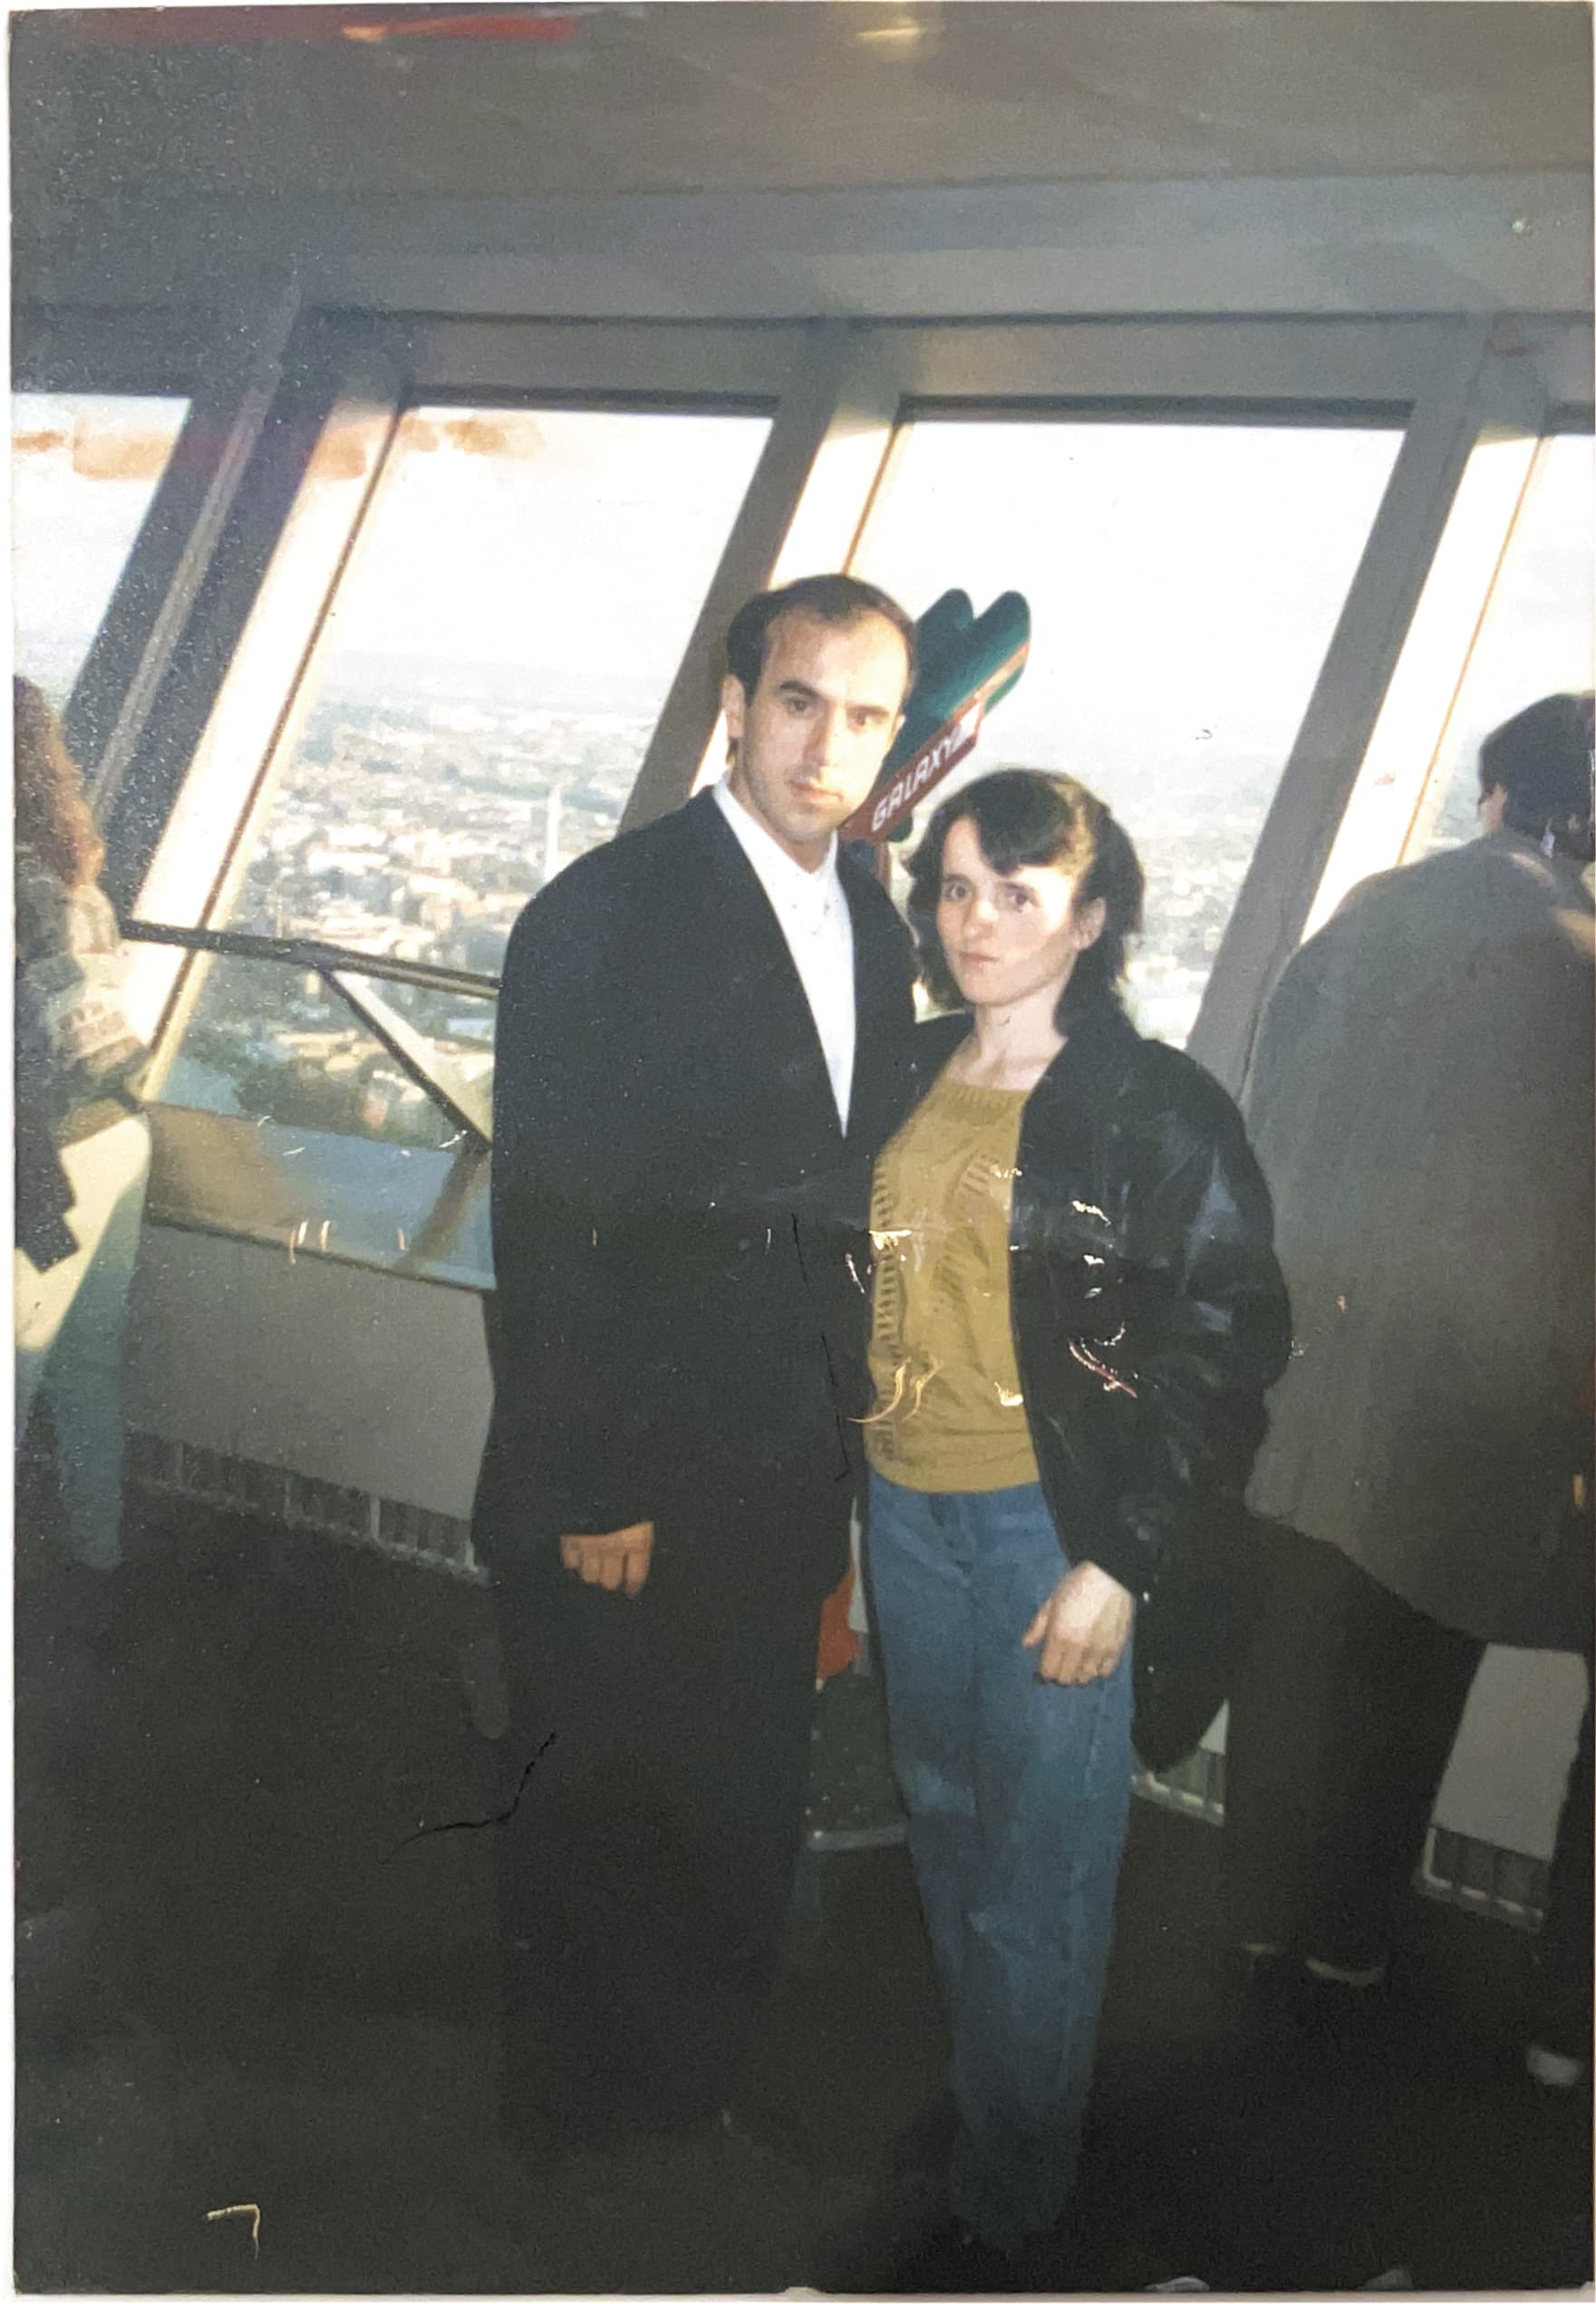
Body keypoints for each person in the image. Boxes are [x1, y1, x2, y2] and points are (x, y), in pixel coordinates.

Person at [473, 572, 922, 2151]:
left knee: (734, 1796)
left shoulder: (872, 918)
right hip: (628, 1471)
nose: (826, 744)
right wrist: (593, 1481)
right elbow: (550, 1228)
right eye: (798, 700)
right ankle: (572, 2131)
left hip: (780, 1466)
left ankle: (686, 2096)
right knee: (599, 1801)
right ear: (736, 707)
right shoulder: (605, 912)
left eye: (864, 716)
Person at [860, 769, 1290, 2271]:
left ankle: (1012, 2202)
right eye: (955, 889)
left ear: (1092, 919)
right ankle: (997, 2107)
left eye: (1018, 893)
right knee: (945, 1823)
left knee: (1036, 1880)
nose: (976, 921)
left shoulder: (1154, 1109)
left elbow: (1227, 1341)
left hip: (1051, 1529)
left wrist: (1122, 1559)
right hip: (905, 1505)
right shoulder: (912, 1065)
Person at [1223, 692, 1595, 2033]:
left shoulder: (1372, 911)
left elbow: (1270, 1125)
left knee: (1289, 1667)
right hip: (1479, 1413)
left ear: (1492, 792)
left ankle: (1249, 1925)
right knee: (1410, 1688)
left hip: (1316, 1368)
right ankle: (1345, 1949)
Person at [14, 676, 150, 1576]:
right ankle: (100, 1561)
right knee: (84, 1369)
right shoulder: (69, 876)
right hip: (117, 1133)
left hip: (45, 1154)